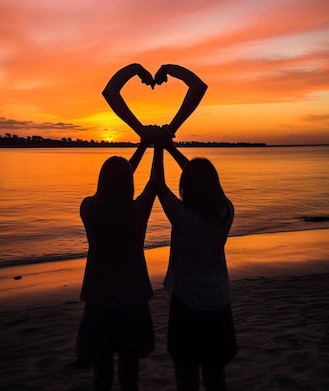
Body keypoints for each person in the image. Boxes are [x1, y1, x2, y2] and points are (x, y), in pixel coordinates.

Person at [76, 64, 162, 391]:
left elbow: (113, 190)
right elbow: (154, 185)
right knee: (129, 374)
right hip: (132, 303)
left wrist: (141, 148)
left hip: (99, 302)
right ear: (128, 185)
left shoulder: (89, 210)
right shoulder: (136, 213)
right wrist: (153, 147)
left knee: (102, 373)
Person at [152, 65, 237, 391]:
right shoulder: (225, 212)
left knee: (186, 375)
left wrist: (159, 146)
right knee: (215, 376)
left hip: (187, 303)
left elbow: (157, 185)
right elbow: (196, 180)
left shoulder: (183, 217)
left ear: (188, 186)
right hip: (218, 303)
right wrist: (170, 148)